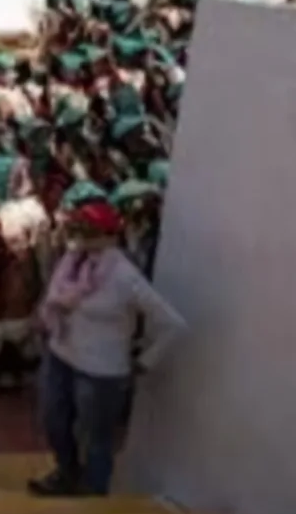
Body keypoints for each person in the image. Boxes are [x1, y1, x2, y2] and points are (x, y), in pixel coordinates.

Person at [31, 199, 187, 498]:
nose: (80, 236)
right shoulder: (71, 263)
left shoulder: (124, 276)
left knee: (95, 435)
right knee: (53, 418)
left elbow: (172, 324)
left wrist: (146, 360)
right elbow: (54, 299)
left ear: (107, 236)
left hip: (100, 369)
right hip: (62, 352)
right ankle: (66, 472)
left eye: (88, 230)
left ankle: (93, 490)